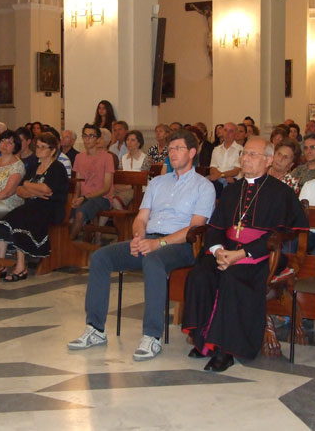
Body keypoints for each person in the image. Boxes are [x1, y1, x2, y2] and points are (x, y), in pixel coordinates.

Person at [67, 130, 215, 361]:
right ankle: (95, 329)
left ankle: (152, 336)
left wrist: (158, 243)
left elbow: (194, 228)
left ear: (193, 152)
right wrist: (138, 236)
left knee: (153, 260)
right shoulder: (158, 182)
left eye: (178, 149)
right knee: (101, 257)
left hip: (182, 245)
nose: (172, 153)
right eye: (171, 149)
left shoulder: (203, 186)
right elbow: (142, 217)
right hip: (150, 239)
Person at [182, 137, 308, 371]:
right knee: (200, 274)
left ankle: (226, 349)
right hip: (226, 251)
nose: (246, 158)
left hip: (262, 257)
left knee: (233, 278)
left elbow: (279, 234)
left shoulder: (281, 193)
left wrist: (241, 254)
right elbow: (217, 228)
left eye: (252, 154)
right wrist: (218, 251)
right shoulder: (232, 190)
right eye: (245, 154)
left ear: (268, 160)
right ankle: (203, 341)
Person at [0, 133, 69, 282]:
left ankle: (21, 267)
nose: (39, 150)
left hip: (50, 209)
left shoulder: (57, 168)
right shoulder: (34, 166)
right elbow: (20, 190)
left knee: (21, 224)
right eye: (37, 147)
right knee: (5, 222)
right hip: (31, 206)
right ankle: (0, 264)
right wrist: (33, 190)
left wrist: (29, 186)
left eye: (43, 147)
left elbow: (47, 190)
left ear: (53, 150)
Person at [70, 124, 115, 239]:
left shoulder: (107, 157)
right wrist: (75, 197)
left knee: (80, 214)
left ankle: (67, 244)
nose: (87, 139)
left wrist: (84, 198)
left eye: (91, 136)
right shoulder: (79, 157)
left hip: (103, 198)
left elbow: (106, 188)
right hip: (84, 198)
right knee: (64, 211)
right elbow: (78, 182)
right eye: (85, 136)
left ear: (98, 139)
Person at [112, 130, 152, 210]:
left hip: (139, 189)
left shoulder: (145, 158)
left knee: (115, 201)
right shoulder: (123, 157)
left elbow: (143, 178)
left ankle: (125, 221)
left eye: (132, 140)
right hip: (124, 187)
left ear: (139, 143)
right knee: (106, 199)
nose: (129, 142)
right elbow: (120, 177)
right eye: (127, 140)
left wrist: (129, 186)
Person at [209, 122, 242, 197]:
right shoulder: (216, 149)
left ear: (236, 134)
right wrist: (220, 176)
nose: (227, 133)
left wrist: (221, 175)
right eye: (225, 130)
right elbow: (212, 168)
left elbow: (236, 171)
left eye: (231, 131)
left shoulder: (240, 149)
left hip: (232, 179)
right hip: (218, 178)